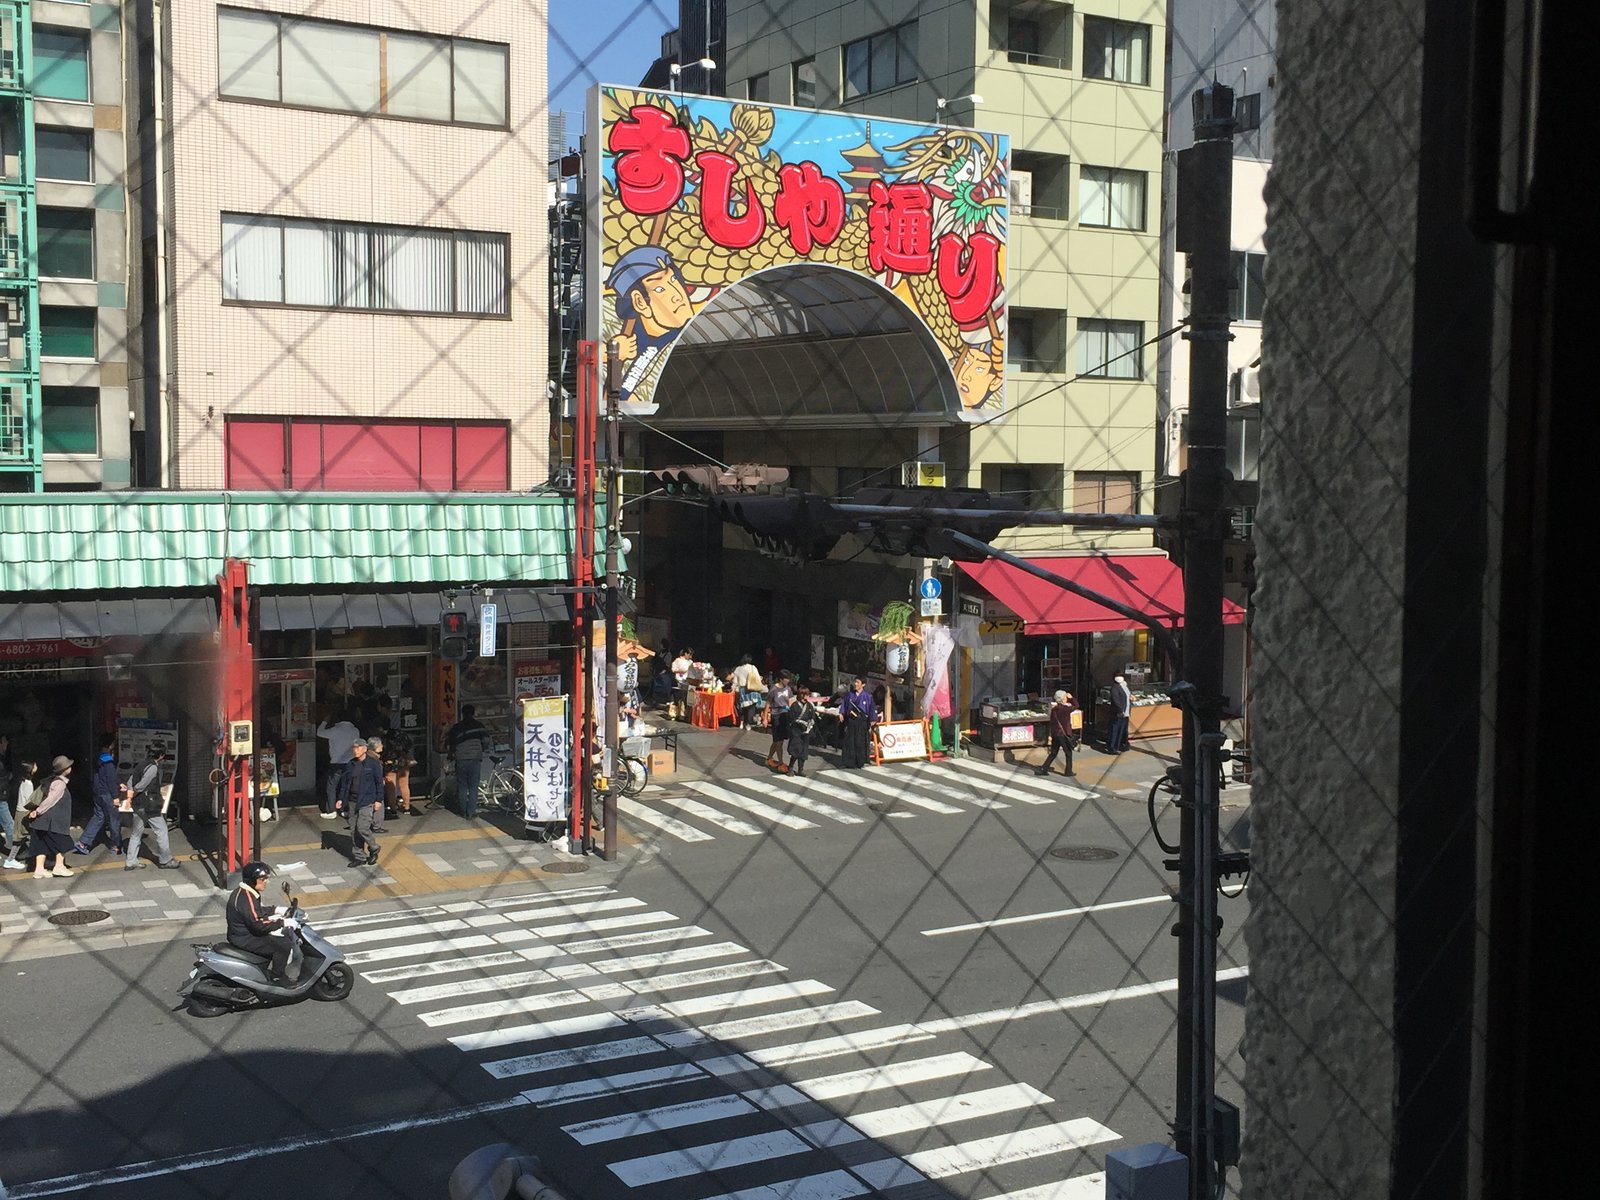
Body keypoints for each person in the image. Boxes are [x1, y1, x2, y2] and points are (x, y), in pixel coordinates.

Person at [227, 861, 291, 983]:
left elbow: (256, 912)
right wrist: (282, 923)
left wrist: (275, 910)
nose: (266, 881)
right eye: (262, 879)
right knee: (283, 946)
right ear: (252, 880)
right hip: (245, 938)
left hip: (240, 934)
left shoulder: (244, 893)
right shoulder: (247, 898)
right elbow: (258, 925)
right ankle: (278, 978)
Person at [123, 748, 182, 871]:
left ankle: (130, 861)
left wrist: (130, 795)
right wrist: (135, 792)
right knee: (161, 830)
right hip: (149, 805)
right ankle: (165, 860)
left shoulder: (141, 764)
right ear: (160, 755)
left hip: (138, 805)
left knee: (136, 833)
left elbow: (130, 781)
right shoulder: (153, 767)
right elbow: (142, 785)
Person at [24, 756, 76, 879]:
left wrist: (36, 814)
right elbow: (51, 800)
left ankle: (39, 869)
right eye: (69, 766)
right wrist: (38, 811)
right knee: (63, 843)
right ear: (65, 769)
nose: (71, 767)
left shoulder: (50, 779)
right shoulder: (60, 784)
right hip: (52, 822)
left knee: (41, 845)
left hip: (41, 822)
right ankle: (59, 867)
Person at [73, 735, 125, 856]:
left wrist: (119, 782)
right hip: (107, 794)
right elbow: (110, 779)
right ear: (111, 745)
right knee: (114, 820)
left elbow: (101, 776)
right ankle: (116, 846)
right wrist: (116, 796)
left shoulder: (98, 758)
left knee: (98, 817)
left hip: (98, 793)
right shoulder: (109, 761)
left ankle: (83, 842)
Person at [315, 709, 361, 820]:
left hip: (335, 763)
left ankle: (332, 810)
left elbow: (319, 733)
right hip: (350, 762)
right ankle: (345, 809)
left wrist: (325, 721)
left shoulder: (334, 730)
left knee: (332, 786)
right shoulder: (355, 731)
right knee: (346, 786)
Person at [447, 704, 491, 818]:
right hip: (475, 758)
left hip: (460, 758)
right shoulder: (479, 725)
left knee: (462, 785)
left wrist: (451, 755)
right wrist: (483, 748)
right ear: (473, 713)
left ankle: (462, 811)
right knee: (473, 786)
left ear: (462, 714)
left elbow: (451, 743)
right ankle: (471, 812)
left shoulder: (456, 727)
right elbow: (486, 740)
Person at [345, 739, 382, 866]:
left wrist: (378, 800)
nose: (355, 750)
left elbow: (379, 783)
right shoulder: (351, 764)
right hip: (352, 800)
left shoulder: (373, 764)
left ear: (365, 749)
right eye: (354, 748)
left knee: (362, 827)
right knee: (353, 829)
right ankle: (359, 856)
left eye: (358, 747)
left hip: (367, 800)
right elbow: (345, 783)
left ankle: (374, 847)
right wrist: (340, 799)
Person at [1038, 690, 1081, 778]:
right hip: (1063, 734)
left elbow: (1052, 722)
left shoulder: (1054, 710)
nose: (1066, 699)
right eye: (1065, 697)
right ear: (1062, 699)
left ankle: (1044, 768)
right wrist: (1072, 698)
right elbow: (1076, 705)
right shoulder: (1065, 709)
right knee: (1068, 753)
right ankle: (1068, 771)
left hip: (1055, 734)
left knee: (1053, 752)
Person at [839, 676, 879, 768]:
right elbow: (844, 704)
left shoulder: (868, 696)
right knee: (850, 741)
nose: (855, 684)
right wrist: (842, 713)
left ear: (863, 684)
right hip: (852, 720)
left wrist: (873, 720)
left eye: (858, 682)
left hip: (862, 721)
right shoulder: (849, 694)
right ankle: (849, 762)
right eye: (855, 682)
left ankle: (860, 761)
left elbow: (872, 708)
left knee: (860, 742)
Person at [5, 757, 38, 869]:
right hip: (24, 813)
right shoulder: (29, 784)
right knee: (21, 837)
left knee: (23, 837)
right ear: (31, 770)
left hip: (20, 812)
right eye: (35, 766)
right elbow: (29, 802)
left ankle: (32, 856)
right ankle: (10, 860)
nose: (36, 767)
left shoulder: (23, 781)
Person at [382, 730, 416, 818]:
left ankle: (393, 808)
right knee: (404, 785)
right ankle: (406, 807)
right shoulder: (406, 742)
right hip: (404, 764)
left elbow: (386, 754)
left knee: (391, 787)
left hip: (391, 764)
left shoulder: (389, 743)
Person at [786, 686, 819, 777]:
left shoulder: (809, 705)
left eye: (806, 694)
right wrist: (800, 722)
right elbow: (792, 718)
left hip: (806, 732)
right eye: (803, 694)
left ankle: (801, 769)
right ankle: (791, 767)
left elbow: (812, 716)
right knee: (796, 750)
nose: (805, 696)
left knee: (804, 751)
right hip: (796, 731)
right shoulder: (794, 705)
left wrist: (810, 723)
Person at [765, 672, 795, 770]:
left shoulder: (788, 689)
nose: (788, 681)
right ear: (781, 679)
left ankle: (769, 758)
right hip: (776, 715)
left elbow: (791, 701)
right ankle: (781, 762)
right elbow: (768, 703)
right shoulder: (773, 689)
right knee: (779, 741)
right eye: (786, 679)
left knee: (778, 740)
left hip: (785, 715)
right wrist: (765, 718)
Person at [728, 656, 766, 730]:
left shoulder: (738, 669)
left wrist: (733, 689)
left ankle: (742, 722)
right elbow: (757, 678)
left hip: (743, 689)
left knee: (743, 707)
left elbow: (735, 681)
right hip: (752, 688)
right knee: (751, 706)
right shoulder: (752, 667)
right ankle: (748, 723)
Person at [1107, 675, 1133, 754]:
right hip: (1118, 713)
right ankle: (1112, 747)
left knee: (1123, 730)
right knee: (1115, 730)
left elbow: (1127, 697)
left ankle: (1122, 745)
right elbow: (1116, 700)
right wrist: (1121, 710)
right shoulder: (1115, 688)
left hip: (1125, 712)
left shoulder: (1124, 686)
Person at [669, 648, 695, 720]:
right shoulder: (677, 660)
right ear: (686, 653)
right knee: (677, 698)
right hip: (679, 680)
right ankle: (674, 713)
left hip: (687, 681)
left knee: (686, 698)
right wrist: (682, 671)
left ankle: (684, 714)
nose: (690, 657)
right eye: (690, 655)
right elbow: (673, 669)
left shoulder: (690, 662)